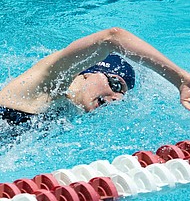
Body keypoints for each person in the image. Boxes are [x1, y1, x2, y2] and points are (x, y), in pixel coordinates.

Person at [0, 27, 190, 125]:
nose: (116, 98)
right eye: (116, 85)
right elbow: (112, 37)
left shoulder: (66, 112)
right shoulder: (45, 86)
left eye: (121, 96)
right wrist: (179, 78)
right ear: (88, 73)